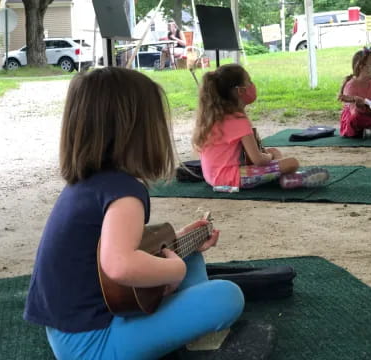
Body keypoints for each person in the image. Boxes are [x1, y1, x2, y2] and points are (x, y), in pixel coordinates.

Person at [23, 67, 244, 360]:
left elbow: (112, 254)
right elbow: (119, 265)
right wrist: (174, 270)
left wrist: (181, 241)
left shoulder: (88, 186)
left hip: (72, 331)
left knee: (190, 256)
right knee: (226, 296)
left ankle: (178, 319)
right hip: (95, 344)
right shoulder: (125, 193)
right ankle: (190, 332)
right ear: (139, 129)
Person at [192, 64, 329, 193]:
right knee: (291, 162)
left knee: (274, 153)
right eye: (249, 82)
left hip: (212, 178)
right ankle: (290, 178)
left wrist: (269, 155)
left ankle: (283, 176)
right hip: (230, 180)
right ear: (240, 91)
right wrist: (269, 157)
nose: (252, 85)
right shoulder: (238, 120)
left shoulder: (211, 118)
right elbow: (258, 160)